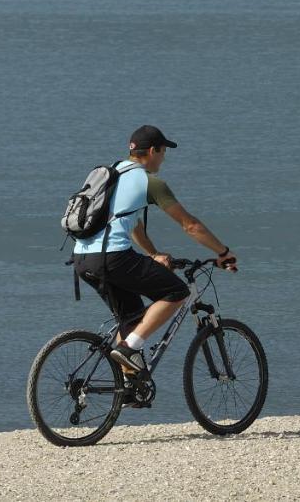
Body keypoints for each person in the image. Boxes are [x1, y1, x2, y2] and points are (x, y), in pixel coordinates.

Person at [71, 125, 238, 377]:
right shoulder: (150, 182)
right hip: (113, 257)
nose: (164, 158)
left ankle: (126, 387)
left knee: (132, 317)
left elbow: (134, 225)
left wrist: (153, 254)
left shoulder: (113, 174)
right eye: (163, 152)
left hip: (82, 258)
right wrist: (223, 252)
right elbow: (190, 225)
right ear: (152, 151)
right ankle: (129, 348)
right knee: (176, 291)